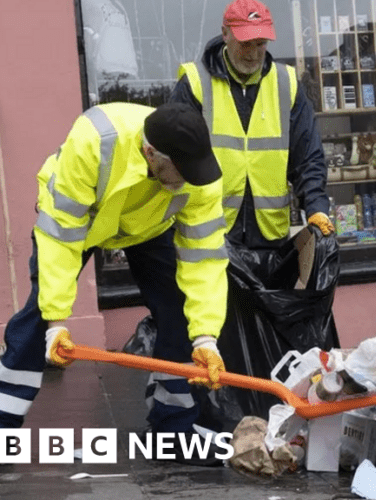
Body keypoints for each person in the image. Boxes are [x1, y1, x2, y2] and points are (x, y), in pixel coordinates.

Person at [0, 102, 229, 465]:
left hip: (147, 227)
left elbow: (204, 261)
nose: (189, 181)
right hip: (82, 221)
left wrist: (206, 337)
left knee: (179, 313)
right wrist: (57, 322)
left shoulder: (199, 173)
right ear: (151, 153)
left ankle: (174, 432)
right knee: (37, 319)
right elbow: (60, 237)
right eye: (180, 172)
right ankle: (2, 427)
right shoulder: (94, 141)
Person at [168, 0, 335, 249]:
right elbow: (170, 157)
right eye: (245, 44)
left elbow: (308, 157)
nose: (254, 54)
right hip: (209, 234)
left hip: (270, 237)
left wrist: (316, 208)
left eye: (261, 44)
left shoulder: (286, 84)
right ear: (225, 34)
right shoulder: (195, 84)